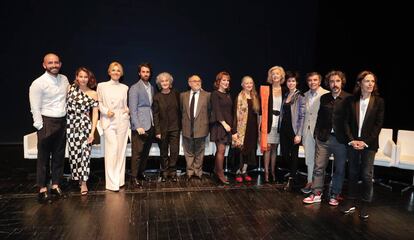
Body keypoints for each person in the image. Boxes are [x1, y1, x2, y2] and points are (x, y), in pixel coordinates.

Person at [340, 71, 384, 220]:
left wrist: (365, 142)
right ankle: (351, 201)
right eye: (367, 81)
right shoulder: (351, 100)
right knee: (352, 173)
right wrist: (352, 140)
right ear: (360, 83)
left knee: (366, 174)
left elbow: (378, 125)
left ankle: (365, 203)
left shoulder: (379, 102)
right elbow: (345, 122)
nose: (371, 84)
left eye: (373, 81)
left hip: (369, 144)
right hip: (353, 142)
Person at [303, 70, 351, 206]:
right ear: (328, 83)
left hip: (341, 140)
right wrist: (317, 133)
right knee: (318, 167)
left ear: (342, 82)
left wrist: (350, 138)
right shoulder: (324, 98)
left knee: (340, 169)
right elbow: (319, 117)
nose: (334, 84)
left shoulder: (349, 99)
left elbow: (352, 121)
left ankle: (335, 194)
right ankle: (316, 193)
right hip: (324, 138)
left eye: (337, 81)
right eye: (331, 81)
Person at [29, 53, 69, 203]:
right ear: (44, 65)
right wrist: (40, 126)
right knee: (43, 158)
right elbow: (35, 108)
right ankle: (42, 189)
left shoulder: (64, 79)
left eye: (56, 62)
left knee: (59, 156)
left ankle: (55, 185)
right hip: (46, 122)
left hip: (62, 121)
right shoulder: (38, 83)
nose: (54, 65)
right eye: (50, 63)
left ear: (60, 64)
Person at [97, 62, 130, 191]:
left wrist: (128, 111)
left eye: (118, 70)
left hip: (122, 120)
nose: (116, 72)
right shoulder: (102, 86)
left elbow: (125, 104)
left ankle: (120, 180)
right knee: (112, 150)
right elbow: (98, 103)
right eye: (113, 70)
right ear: (109, 72)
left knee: (121, 151)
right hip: (108, 120)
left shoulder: (125, 87)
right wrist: (105, 111)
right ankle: (112, 183)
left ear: (121, 73)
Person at [66, 67, 98, 195]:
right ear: (77, 77)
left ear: (89, 78)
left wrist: (92, 132)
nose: (83, 79)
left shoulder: (93, 93)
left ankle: (84, 182)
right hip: (70, 125)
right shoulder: (70, 89)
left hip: (85, 126)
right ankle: (78, 177)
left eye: (86, 77)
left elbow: (95, 114)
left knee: (85, 154)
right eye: (81, 76)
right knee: (75, 155)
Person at [301, 72, 329, 194]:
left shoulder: (326, 94)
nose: (312, 82)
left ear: (319, 81)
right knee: (309, 158)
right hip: (307, 131)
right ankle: (310, 182)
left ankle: (318, 185)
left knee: (320, 160)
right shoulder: (304, 95)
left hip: (320, 132)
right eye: (310, 80)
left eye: (315, 80)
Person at [129, 63, 155, 188]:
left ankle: (140, 173)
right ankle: (133, 177)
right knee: (137, 153)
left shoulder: (151, 87)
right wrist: (137, 125)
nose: (145, 74)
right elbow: (133, 109)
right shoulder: (134, 88)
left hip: (150, 124)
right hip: (139, 126)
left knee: (145, 153)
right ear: (139, 73)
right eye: (143, 72)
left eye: (148, 72)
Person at [180, 75, 211, 181]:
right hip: (187, 127)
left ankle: (198, 171)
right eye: (195, 81)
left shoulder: (207, 95)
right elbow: (181, 111)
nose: (197, 82)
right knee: (188, 151)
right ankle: (189, 171)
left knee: (199, 151)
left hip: (201, 127)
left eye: (199, 81)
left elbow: (210, 111)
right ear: (189, 83)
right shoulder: (183, 96)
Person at [260, 66, 287, 183]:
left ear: (281, 76)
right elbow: (261, 109)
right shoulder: (266, 89)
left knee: (275, 148)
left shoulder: (285, 90)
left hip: (280, 123)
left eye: (277, 74)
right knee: (268, 148)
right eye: (273, 74)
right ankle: (266, 173)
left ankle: (273, 172)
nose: (275, 76)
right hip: (268, 122)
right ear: (270, 77)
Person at [279, 71, 305, 191]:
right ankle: (294, 172)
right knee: (284, 153)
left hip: (294, 130)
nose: (291, 83)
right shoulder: (285, 95)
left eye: (293, 81)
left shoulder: (300, 96)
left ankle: (292, 179)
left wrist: (299, 134)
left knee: (294, 154)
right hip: (284, 129)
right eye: (289, 81)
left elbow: (302, 116)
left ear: (297, 82)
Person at [152, 72, 181, 182]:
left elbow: (180, 111)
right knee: (163, 152)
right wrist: (157, 131)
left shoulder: (176, 94)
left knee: (174, 151)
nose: (164, 83)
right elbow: (155, 115)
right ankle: (164, 172)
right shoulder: (157, 97)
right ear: (159, 83)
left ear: (170, 82)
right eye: (162, 81)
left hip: (175, 128)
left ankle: (173, 171)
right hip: (162, 130)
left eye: (166, 80)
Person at [232, 76, 260, 183]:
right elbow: (235, 115)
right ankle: (238, 172)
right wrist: (234, 131)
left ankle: (244, 171)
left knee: (249, 150)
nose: (249, 85)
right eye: (246, 83)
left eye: (251, 83)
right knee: (241, 151)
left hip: (252, 128)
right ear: (242, 84)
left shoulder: (255, 96)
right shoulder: (239, 97)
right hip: (242, 128)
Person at [210, 71, 233, 185]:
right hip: (219, 125)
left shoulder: (228, 94)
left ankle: (216, 171)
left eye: (228, 80)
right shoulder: (215, 94)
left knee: (222, 151)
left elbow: (229, 112)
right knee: (221, 150)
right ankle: (220, 173)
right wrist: (224, 124)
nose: (226, 82)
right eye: (224, 80)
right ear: (218, 81)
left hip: (227, 126)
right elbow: (217, 110)